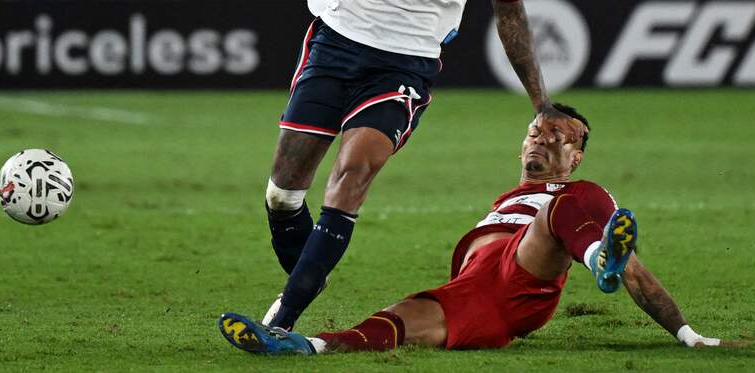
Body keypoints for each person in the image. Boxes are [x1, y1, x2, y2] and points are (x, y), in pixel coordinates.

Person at [208, 0, 586, 332]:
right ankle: (311, 266)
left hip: (404, 64)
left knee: (355, 169)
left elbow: (511, 17)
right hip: (335, 40)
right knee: (284, 192)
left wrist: (541, 101)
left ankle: (283, 318)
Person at [218, 104, 727, 355]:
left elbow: (640, 275)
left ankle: (599, 261)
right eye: (534, 132)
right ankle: (302, 345)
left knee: (565, 210)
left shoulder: (578, 196)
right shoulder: (507, 200)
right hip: (475, 294)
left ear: (576, 155)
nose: (539, 141)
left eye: (557, 137)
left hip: (527, 277)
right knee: (392, 322)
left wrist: (686, 334)